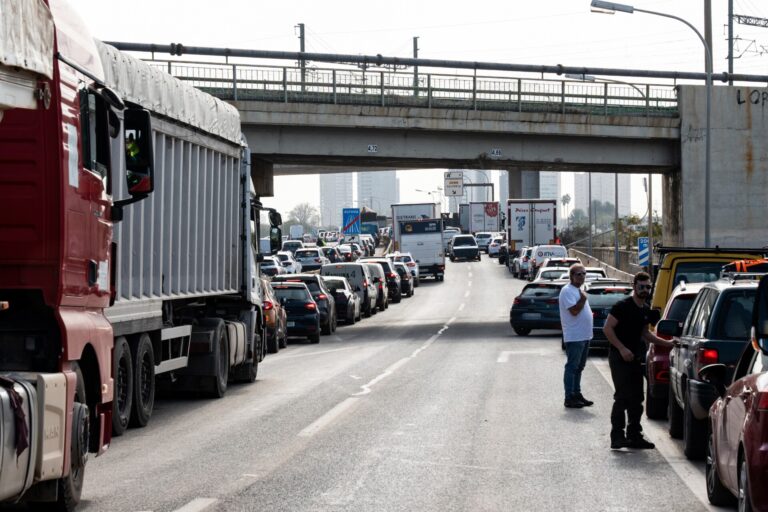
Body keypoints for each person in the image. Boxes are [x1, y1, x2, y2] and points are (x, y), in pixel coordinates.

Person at [603, 271, 674, 449]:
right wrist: (621, 348)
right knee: (622, 397)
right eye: (641, 287)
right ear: (634, 286)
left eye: (648, 287)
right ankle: (617, 436)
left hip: (636, 358)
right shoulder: (622, 306)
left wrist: (667, 343)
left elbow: (645, 333)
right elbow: (607, 329)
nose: (644, 290)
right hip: (619, 357)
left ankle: (634, 435)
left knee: (637, 398)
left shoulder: (645, 309)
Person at [559, 264, 594, 408]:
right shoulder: (567, 291)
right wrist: (583, 299)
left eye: (584, 273)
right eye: (578, 274)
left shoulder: (579, 290)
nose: (582, 276)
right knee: (572, 367)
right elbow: (574, 311)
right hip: (575, 336)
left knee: (580, 367)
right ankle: (569, 397)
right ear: (572, 276)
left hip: (585, 335)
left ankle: (577, 393)